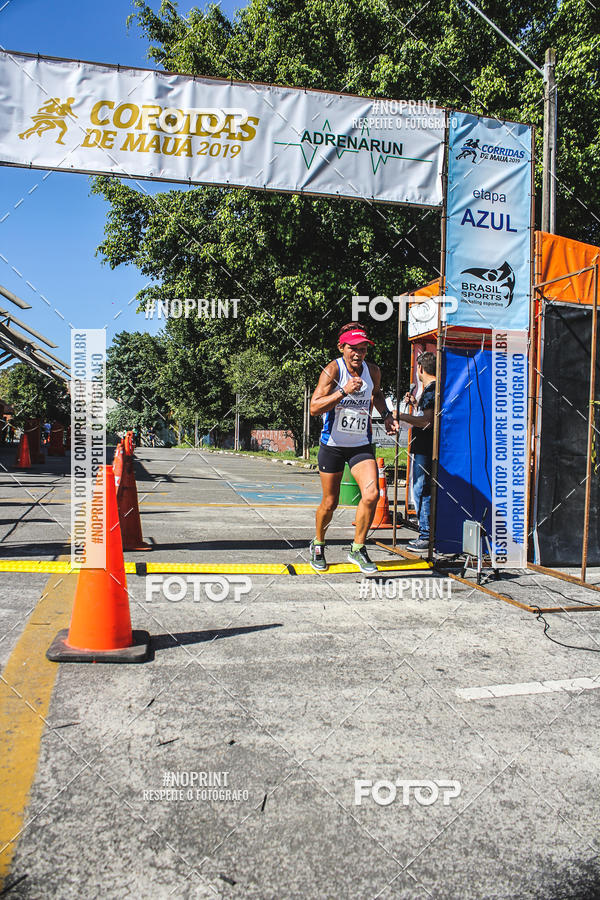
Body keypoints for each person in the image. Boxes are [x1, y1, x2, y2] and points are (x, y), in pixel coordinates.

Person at [309, 322, 397, 574]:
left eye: (363, 349)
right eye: (353, 348)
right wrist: (342, 392)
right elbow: (314, 407)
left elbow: (377, 395)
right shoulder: (332, 370)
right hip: (333, 445)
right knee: (330, 502)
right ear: (342, 347)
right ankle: (318, 544)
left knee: (372, 495)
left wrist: (387, 415)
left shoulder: (373, 371)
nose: (358, 353)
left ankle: (357, 548)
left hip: (360, 444)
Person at [396, 351, 436, 553]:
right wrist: (414, 404)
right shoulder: (432, 390)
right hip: (426, 447)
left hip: (426, 448)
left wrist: (401, 415)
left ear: (420, 368)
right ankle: (427, 533)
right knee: (422, 489)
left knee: (422, 490)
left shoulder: (431, 390)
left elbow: (427, 421)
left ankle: (426, 535)